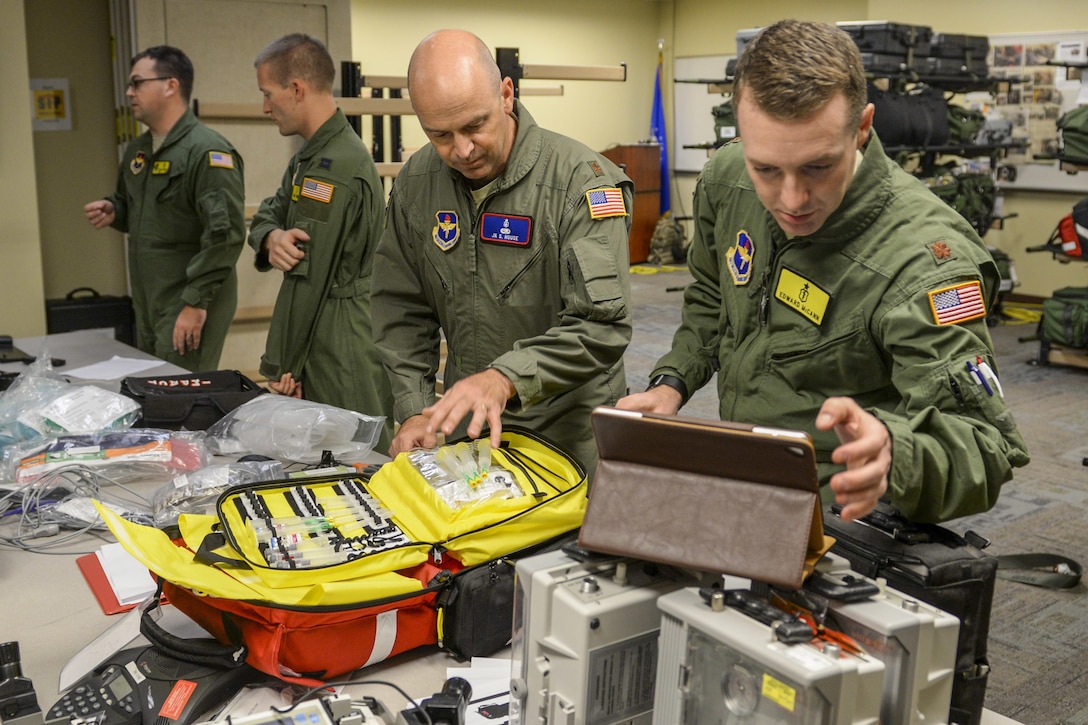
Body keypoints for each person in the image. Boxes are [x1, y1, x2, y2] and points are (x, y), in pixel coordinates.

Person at [617, 19, 1029, 524]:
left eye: (818, 167)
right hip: (752, 479)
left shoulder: (923, 262)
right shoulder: (727, 181)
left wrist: (895, 454)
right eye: (766, 168)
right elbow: (712, 296)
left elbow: (985, 444)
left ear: (862, 128)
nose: (791, 200)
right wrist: (673, 382)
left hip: (850, 518)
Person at [371, 29, 633, 473]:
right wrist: (415, 408)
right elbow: (402, 305)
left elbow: (601, 326)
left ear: (506, 94)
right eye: (439, 134)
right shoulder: (418, 183)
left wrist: (506, 377)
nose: (463, 149)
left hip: (569, 439)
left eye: (475, 125)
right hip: (470, 437)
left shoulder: (581, 184)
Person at [249, 33, 394, 451]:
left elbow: (307, 278)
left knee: (362, 455)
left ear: (296, 90)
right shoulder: (310, 156)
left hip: (339, 336)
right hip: (324, 330)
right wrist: (269, 237)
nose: (264, 107)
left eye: (267, 94)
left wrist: (282, 363)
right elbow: (268, 213)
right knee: (334, 453)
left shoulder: (334, 167)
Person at [84, 46, 245, 371]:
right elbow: (137, 207)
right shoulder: (139, 149)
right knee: (155, 388)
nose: (129, 92)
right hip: (149, 296)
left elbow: (224, 235)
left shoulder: (208, 151)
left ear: (171, 85)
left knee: (180, 396)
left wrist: (195, 303)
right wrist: (115, 209)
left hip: (189, 295)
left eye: (137, 82)